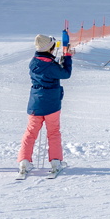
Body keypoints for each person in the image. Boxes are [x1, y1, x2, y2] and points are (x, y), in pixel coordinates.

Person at [18, 33, 73, 178]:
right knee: (53, 132)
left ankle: (24, 161)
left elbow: (49, 70)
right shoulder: (49, 65)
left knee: (30, 133)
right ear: (49, 48)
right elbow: (65, 74)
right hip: (51, 103)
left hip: (35, 102)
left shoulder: (34, 61)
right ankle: (55, 161)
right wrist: (67, 58)